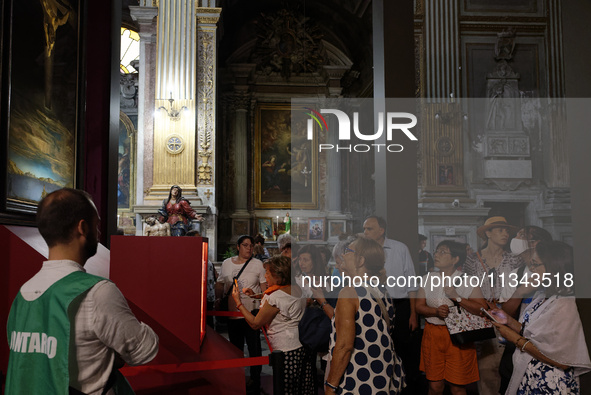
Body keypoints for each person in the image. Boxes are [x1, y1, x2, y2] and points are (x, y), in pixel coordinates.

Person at [5, 188, 159, 394]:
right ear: (83, 227)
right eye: (97, 225)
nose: (99, 233)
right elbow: (144, 351)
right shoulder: (98, 292)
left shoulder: (22, 295)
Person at [489, 241, 591, 394]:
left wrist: (515, 339)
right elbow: (536, 333)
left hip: (550, 381)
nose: (531, 269)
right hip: (532, 376)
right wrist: (509, 321)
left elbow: (562, 360)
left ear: (553, 267)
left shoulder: (565, 303)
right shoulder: (543, 295)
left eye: (535, 265)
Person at [324, 236, 405, 394]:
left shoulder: (349, 293)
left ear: (360, 260)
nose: (343, 255)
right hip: (381, 370)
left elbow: (344, 346)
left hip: (357, 376)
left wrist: (331, 385)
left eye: (348, 251)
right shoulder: (382, 290)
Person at [232, 255, 315, 394]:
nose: (265, 276)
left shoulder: (275, 297)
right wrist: (256, 295)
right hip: (300, 345)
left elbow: (255, 323)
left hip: (285, 350)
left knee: (286, 389)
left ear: (278, 276)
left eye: (268, 273)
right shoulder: (296, 289)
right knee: (300, 388)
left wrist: (238, 302)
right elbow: (282, 299)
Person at [416, 240, 487, 395]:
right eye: (436, 251)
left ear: (456, 259)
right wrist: (435, 312)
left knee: (457, 388)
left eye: (443, 252)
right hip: (432, 334)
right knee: (435, 386)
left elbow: (482, 309)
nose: (436, 255)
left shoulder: (468, 280)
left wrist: (457, 297)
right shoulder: (428, 278)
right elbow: (419, 307)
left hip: (458, 337)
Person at [463, 216, 523, 395]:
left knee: (510, 370)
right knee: (487, 371)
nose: (505, 234)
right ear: (487, 233)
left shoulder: (515, 260)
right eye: (500, 230)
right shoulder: (473, 260)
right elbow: (466, 288)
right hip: (484, 319)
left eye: (507, 230)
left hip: (510, 318)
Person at [363, 216, 419, 391]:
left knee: (402, 348)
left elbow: (411, 283)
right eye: (364, 229)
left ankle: (406, 388)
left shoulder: (399, 248)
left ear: (381, 230)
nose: (365, 232)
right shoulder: (362, 251)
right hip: (372, 304)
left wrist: (413, 314)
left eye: (369, 229)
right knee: (377, 348)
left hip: (399, 305)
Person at [497, 226, 553, 393]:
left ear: (537, 243)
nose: (515, 238)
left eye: (521, 235)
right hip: (516, 340)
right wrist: (521, 292)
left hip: (546, 344)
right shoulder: (516, 273)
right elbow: (505, 312)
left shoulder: (555, 272)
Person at [215, 235, 267, 393]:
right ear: (238, 247)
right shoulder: (226, 264)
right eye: (245, 245)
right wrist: (218, 298)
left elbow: (264, 288)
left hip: (251, 313)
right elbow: (221, 283)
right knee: (235, 348)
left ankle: (255, 379)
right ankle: (237, 379)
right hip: (233, 314)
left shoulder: (257, 264)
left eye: (251, 245)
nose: (249, 248)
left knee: (254, 348)